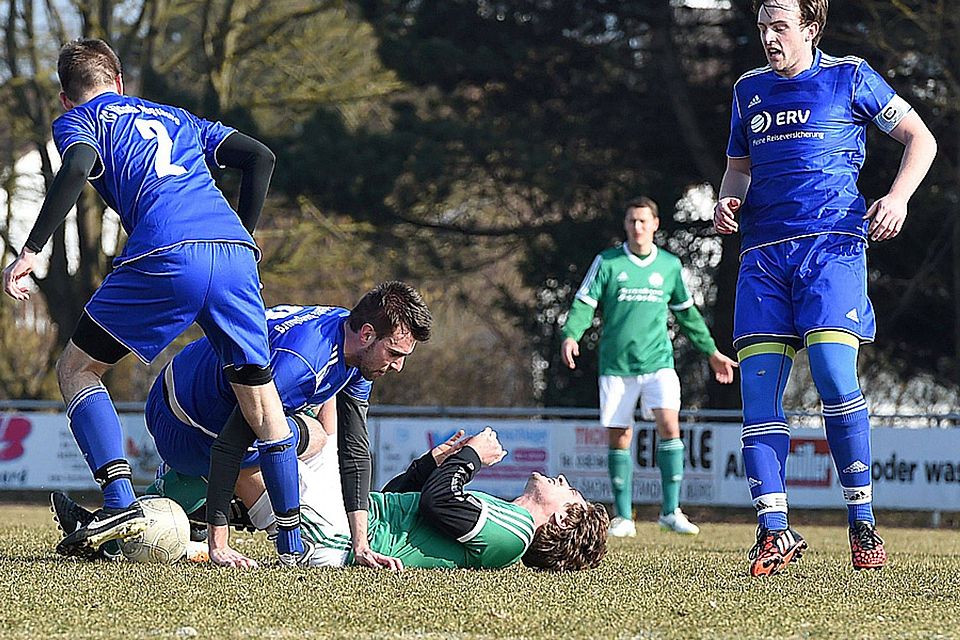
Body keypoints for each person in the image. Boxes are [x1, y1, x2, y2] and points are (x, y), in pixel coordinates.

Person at [0, 38, 308, 563]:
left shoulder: (81, 121)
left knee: (78, 370)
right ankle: (293, 545)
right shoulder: (177, 116)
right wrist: (242, 234)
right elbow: (260, 157)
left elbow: (75, 168)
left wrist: (31, 249)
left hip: (167, 251)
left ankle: (120, 500)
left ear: (64, 99)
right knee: (262, 400)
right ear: (120, 82)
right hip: (233, 256)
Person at [714, 0, 937, 576]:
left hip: (832, 248)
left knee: (836, 376)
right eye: (763, 27)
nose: (769, 37)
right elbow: (738, 167)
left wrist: (898, 198)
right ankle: (774, 531)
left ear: (811, 30)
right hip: (763, 256)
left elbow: (921, 139)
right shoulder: (748, 90)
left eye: (781, 27)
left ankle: (862, 522)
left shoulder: (850, 76)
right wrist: (727, 198)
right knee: (758, 396)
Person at [150, 284, 432, 568]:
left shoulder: (353, 342)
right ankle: (196, 489)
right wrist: (219, 545)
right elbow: (227, 447)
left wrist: (361, 545)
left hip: (183, 391)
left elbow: (355, 449)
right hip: (183, 425)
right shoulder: (301, 365)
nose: (398, 366)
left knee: (314, 437)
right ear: (367, 334)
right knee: (325, 553)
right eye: (395, 353)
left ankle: (204, 492)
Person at [139, 426, 609, 571]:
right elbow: (398, 502)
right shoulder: (508, 521)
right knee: (289, 433)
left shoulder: (515, 534)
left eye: (571, 492)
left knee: (260, 441)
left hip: (337, 542)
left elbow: (438, 502)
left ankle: (145, 520)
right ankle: (150, 523)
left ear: (563, 521)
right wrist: (430, 464)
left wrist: (471, 457)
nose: (564, 479)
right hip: (347, 527)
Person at [561, 197, 737, 538]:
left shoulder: (669, 266)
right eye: (631, 221)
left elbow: (688, 314)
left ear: (655, 224)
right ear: (625, 225)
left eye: (643, 221)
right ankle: (624, 516)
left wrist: (712, 352)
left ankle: (671, 511)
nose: (637, 227)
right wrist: (571, 335)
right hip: (616, 365)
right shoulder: (608, 262)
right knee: (620, 436)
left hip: (658, 362)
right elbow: (584, 303)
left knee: (670, 425)